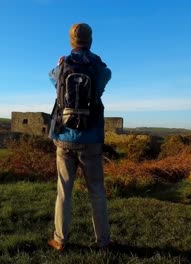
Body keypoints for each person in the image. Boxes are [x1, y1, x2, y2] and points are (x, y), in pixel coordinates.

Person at [47, 23, 112, 251]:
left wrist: (59, 65)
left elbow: (51, 78)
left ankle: (60, 239)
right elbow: (107, 75)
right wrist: (98, 63)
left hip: (64, 137)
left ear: (71, 41)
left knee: (64, 191)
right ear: (90, 40)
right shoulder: (98, 66)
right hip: (92, 137)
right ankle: (103, 241)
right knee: (96, 191)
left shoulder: (63, 65)